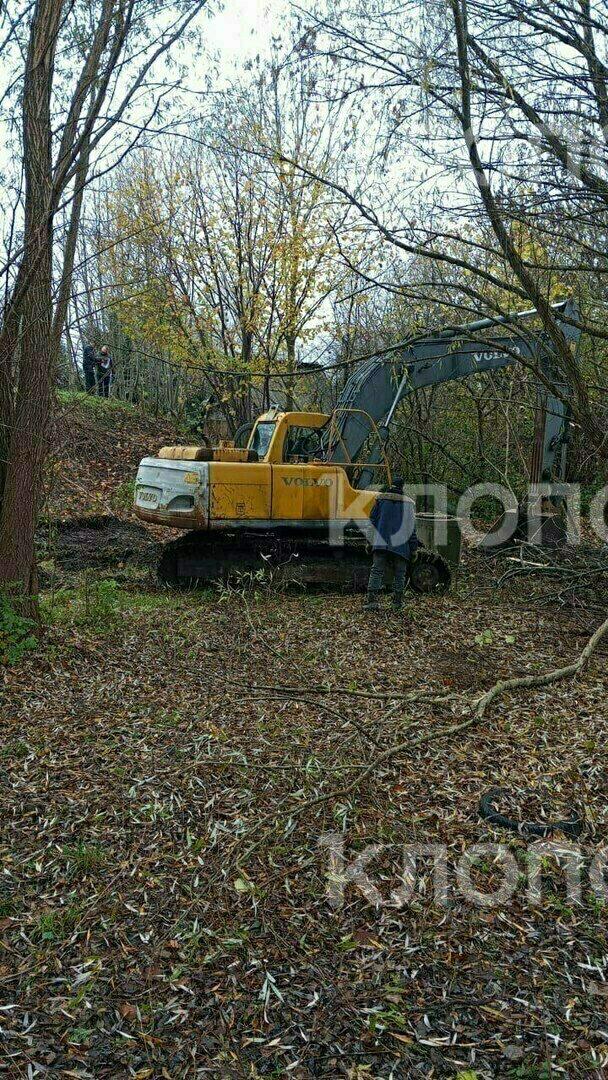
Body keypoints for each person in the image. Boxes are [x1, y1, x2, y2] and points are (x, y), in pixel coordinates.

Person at [365, 477, 421, 612]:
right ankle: (397, 603)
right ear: (402, 487)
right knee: (400, 574)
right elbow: (411, 530)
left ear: (391, 485)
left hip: (380, 543)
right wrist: (414, 549)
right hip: (401, 545)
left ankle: (371, 602)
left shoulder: (380, 500)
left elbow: (371, 523)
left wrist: (369, 542)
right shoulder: (408, 504)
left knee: (376, 571)